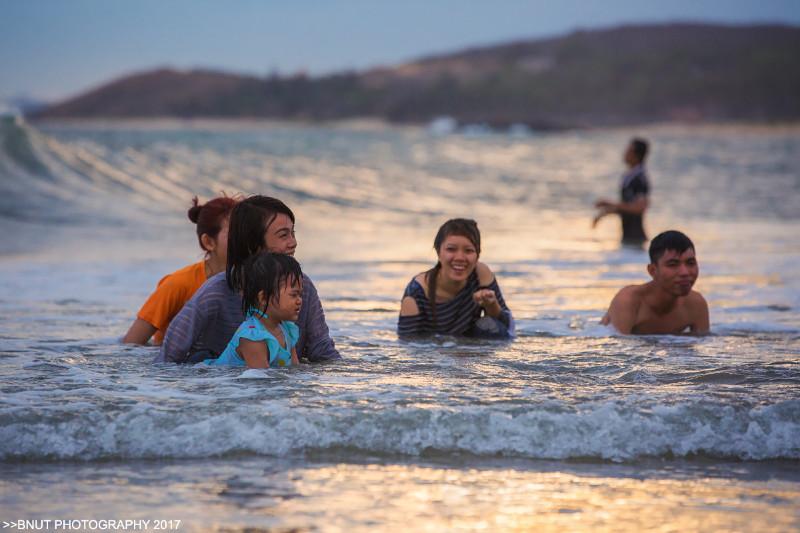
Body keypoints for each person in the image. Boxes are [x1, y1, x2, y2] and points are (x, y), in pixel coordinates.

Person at [154, 195, 339, 363]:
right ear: (253, 244)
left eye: (293, 233)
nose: (293, 242)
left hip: (277, 391)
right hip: (224, 390)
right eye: (283, 235)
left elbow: (322, 352)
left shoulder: (302, 286)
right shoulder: (215, 292)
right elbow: (167, 360)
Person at [123, 195, 239, 345]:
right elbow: (130, 345)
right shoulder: (177, 284)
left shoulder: (255, 283)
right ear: (208, 242)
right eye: (234, 233)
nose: (244, 239)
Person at [398, 218, 514, 338]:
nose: (460, 257)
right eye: (451, 249)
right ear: (438, 252)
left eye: (468, 251)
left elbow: (508, 329)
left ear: (477, 255)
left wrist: (491, 305)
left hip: (469, 349)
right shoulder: (416, 293)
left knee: (490, 326)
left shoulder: (480, 274)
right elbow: (408, 344)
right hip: (434, 351)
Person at [601, 230, 709, 335]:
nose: (685, 272)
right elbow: (616, 348)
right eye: (673, 264)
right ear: (653, 270)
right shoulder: (629, 301)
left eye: (690, 263)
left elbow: (701, 347)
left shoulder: (696, 304)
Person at [206, 253, 302, 368]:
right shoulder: (253, 338)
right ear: (264, 298)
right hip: (217, 378)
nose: (299, 300)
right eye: (294, 295)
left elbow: (296, 369)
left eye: (300, 294)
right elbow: (261, 381)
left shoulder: (286, 328)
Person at [593, 137, 650, 246]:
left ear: (636, 155)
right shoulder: (629, 176)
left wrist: (608, 203)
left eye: (628, 151)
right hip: (627, 236)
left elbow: (639, 208)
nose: (625, 154)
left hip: (636, 237)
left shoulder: (640, 179)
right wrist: (604, 213)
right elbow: (626, 207)